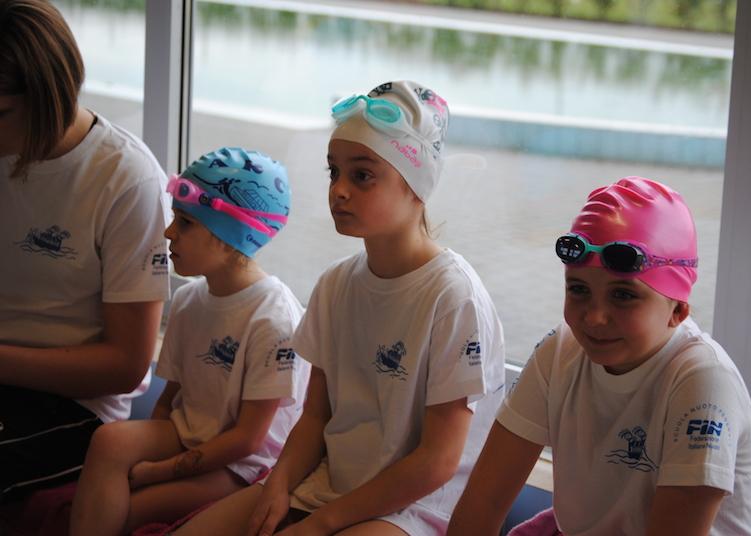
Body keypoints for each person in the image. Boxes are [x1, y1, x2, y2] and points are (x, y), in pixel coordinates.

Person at [172, 81, 506, 536]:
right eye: (334, 172)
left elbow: (437, 461)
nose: (339, 190)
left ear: (416, 185)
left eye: (362, 175)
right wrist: (278, 485)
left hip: (412, 508)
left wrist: (322, 523)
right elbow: (315, 417)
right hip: (330, 482)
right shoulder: (336, 284)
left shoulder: (453, 298)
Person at [448, 177, 751, 535]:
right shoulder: (560, 352)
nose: (594, 318)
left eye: (623, 295)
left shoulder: (703, 381)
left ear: (678, 311)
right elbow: (484, 501)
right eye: (579, 289)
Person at [70, 147, 311, 535]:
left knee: (132, 509)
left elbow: (248, 439)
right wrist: (146, 455)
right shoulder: (188, 299)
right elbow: (169, 400)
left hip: (244, 465)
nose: (168, 233)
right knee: (110, 440)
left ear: (229, 236)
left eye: (185, 223)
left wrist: (159, 472)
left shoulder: (274, 321)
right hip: (191, 434)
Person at [0, 0, 170, 501]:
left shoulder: (125, 180)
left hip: (74, 405)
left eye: (0, 113)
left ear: (47, 96)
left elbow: (126, 365)